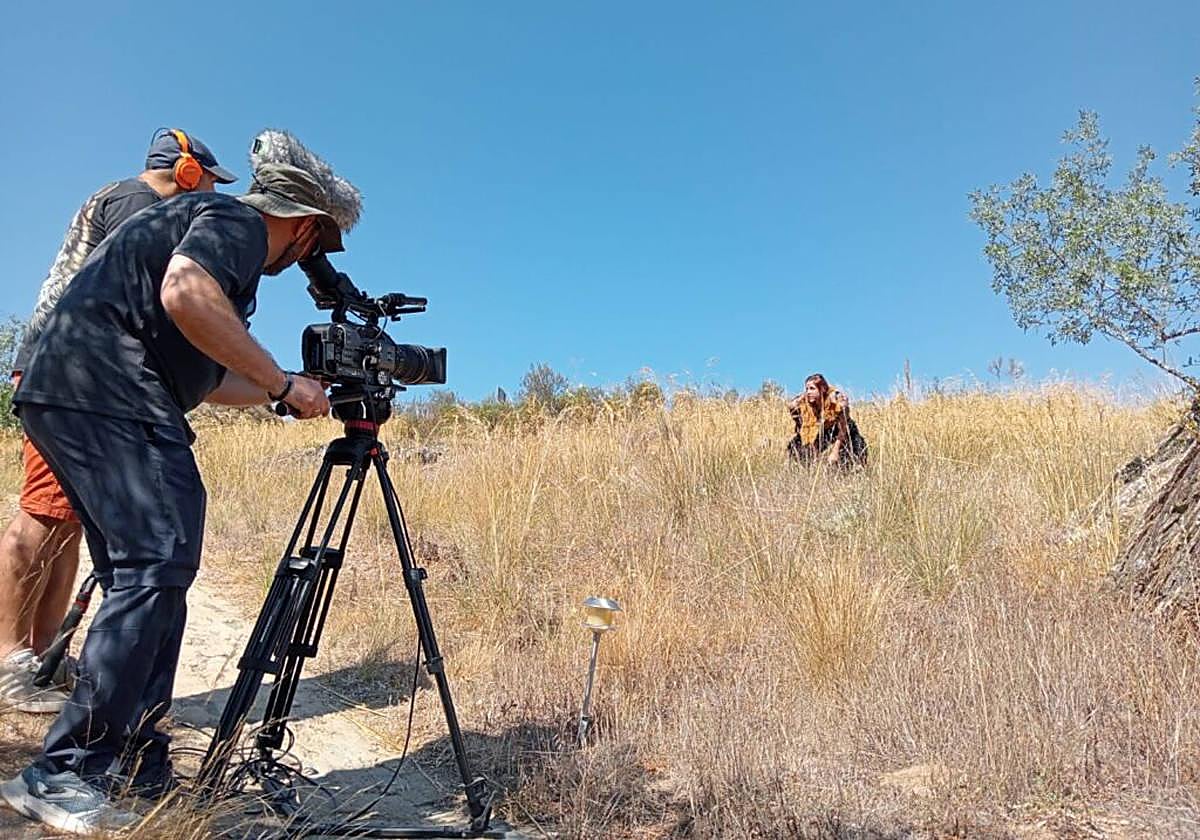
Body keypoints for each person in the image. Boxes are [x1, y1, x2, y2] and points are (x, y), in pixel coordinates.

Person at [0, 161, 343, 836]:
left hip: (74, 390)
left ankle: (134, 763)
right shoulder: (236, 222)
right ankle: (66, 771)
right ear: (304, 225)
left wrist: (287, 391)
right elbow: (186, 292)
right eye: (317, 244)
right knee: (157, 562)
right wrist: (282, 383)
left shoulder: (205, 235)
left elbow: (211, 378)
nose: (309, 260)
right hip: (107, 392)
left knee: (151, 573)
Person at [0, 129, 237, 715]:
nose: (211, 195)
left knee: (69, 521)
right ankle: (8, 661)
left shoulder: (126, 200)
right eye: (209, 182)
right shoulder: (138, 204)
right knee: (42, 515)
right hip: (72, 376)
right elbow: (151, 298)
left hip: (76, 373)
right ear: (186, 172)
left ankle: (42, 654)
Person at [786, 373, 868, 467]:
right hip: (825, 430)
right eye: (807, 389)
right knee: (796, 444)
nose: (808, 392)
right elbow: (792, 406)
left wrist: (835, 451)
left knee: (853, 452)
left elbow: (844, 424)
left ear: (822, 389)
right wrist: (802, 397)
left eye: (812, 388)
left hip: (843, 430)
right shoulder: (807, 403)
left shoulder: (833, 399)